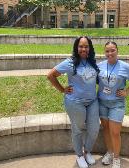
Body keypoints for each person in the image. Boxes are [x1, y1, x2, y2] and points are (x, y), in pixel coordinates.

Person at [47, 36, 100, 168]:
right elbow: (50, 75)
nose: (83, 49)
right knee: (77, 130)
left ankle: (87, 151)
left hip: (92, 101)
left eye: (86, 46)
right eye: (81, 46)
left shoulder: (92, 62)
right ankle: (79, 156)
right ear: (76, 48)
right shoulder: (70, 62)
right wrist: (62, 89)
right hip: (75, 102)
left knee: (94, 129)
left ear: (90, 48)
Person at [97, 41, 129, 168]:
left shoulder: (125, 67)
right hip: (102, 102)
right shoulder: (100, 66)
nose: (110, 53)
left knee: (115, 132)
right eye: (107, 51)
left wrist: (127, 91)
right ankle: (109, 152)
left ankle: (116, 157)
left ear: (117, 51)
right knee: (106, 129)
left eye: (112, 50)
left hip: (117, 104)